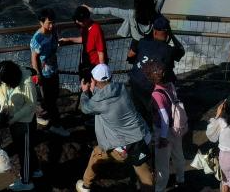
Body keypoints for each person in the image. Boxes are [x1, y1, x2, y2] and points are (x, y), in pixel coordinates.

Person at [77, 64, 154, 192]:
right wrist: (94, 88)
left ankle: (85, 185)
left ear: (94, 81)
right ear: (111, 77)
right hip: (143, 138)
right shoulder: (122, 89)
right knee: (145, 174)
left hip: (123, 149)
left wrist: (85, 92)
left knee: (97, 154)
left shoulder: (98, 102)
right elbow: (106, 94)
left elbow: (85, 108)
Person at [0, 61, 40, 190]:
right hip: (14, 120)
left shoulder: (27, 83)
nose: (5, 84)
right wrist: (5, 106)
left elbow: (31, 105)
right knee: (26, 148)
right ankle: (35, 169)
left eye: (6, 82)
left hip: (25, 122)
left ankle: (26, 181)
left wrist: (13, 118)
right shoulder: (5, 76)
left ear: (13, 78)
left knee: (24, 151)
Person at [144, 60, 186, 192]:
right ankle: (181, 179)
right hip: (176, 128)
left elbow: (164, 118)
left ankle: (160, 188)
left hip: (164, 131)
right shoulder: (170, 85)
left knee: (162, 165)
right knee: (178, 155)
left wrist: (162, 137)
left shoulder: (156, 94)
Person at [29, 8, 69, 137]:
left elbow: (55, 44)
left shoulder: (53, 32)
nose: (52, 25)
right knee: (50, 100)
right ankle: (56, 126)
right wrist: (37, 74)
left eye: (53, 22)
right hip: (44, 74)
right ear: (41, 22)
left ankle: (41, 115)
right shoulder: (37, 39)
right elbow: (34, 58)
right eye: (49, 23)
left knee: (53, 96)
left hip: (54, 70)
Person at [127, 15, 186, 93]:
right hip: (151, 89)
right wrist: (171, 35)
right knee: (170, 74)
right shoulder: (170, 50)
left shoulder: (142, 42)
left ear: (154, 31)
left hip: (134, 81)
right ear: (167, 33)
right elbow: (181, 51)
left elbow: (129, 56)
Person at [62, 6, 108, 80]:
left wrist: (102, 71)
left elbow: (101, 52)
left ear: (86, 20)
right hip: (87, 62)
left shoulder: (96, 30)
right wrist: (69, 40)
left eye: (79, 21)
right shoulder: (84, 27)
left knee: (94, 88)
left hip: (96, 66)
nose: (77, 22)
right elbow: (85, 39)